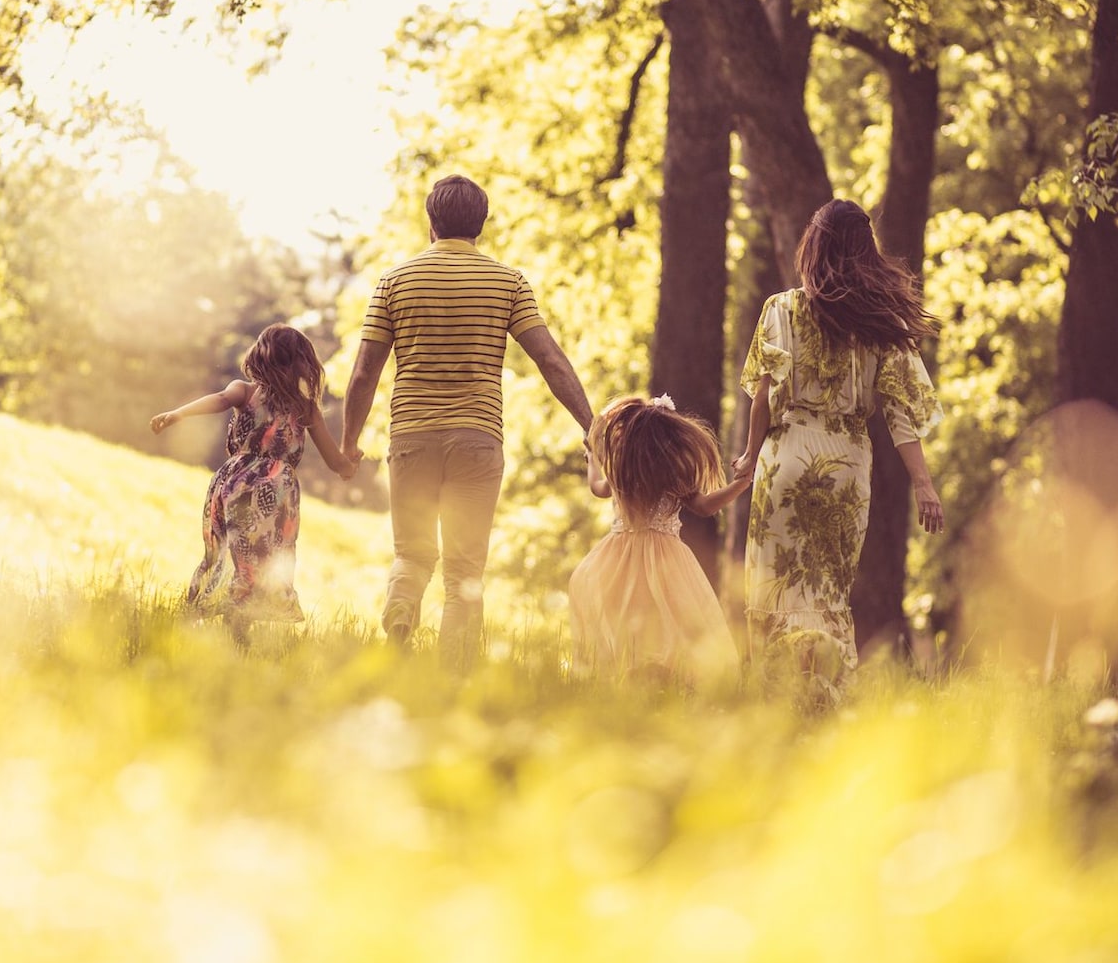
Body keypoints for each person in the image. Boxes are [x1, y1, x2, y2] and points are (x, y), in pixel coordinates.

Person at [340, 175, 594, 665]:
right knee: (464, 572)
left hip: (412, 436)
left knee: (412, 554)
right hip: (478, 438)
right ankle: (453, 672)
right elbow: (550, 361)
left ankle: (399, 611)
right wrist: (590, 424)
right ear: (481, 223)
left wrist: (349, 444)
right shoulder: (508, 281)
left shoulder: (394, 281)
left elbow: (363, 372)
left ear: (431, 222)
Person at [731, 199, 944, 696]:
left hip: (786, 454)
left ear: (813, 246)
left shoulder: (781, 309)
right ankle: (829, 694)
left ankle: (777, 696)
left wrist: (747, 457)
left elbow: (763, 397)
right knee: (826, 592)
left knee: (778, 590)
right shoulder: (880, 323)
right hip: (846, 462)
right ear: (866, 252)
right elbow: (900, 414)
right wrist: (924, 483)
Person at [152, 324, 353, 632]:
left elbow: (219, 399)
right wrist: (348, 464)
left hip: (235, 482)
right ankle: (240, 623)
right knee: (264, 556)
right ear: (303, 363)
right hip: (276, 490)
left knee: (226, 550)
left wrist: (179, 414)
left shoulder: (243, 390)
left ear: (259, 356)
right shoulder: (305, 407)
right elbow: (333, 458)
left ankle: (210, 614)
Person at [569, 395, 748, 684]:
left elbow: (596, 487)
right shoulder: (670, 475)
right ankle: (664, 675)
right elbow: (705, 506)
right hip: (666, 557)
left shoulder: (623, 474)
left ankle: (634, 672)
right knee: (669, 615)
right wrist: (739, 485)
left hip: (618, 556)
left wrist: (593, 460)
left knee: (626, 611)